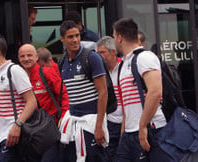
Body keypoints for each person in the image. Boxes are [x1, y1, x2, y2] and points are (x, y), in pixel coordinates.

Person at [113, 18, 167, 162]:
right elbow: (126, 105)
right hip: (129, 134)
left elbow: (155, 92)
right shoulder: (123, 64)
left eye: (113, 37)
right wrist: (123, 133)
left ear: (119, 38)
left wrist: (142, 126)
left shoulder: (145, 57)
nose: (114, 41)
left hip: (149, 130)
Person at [58, 20, 109, 162]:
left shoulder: (92, 58)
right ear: (62, 39)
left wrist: (99, 126)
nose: (75, 40)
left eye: (77, 35)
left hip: (91, 124)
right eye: (70, 37)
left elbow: (103, 93)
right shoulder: (61, 62)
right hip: (74, 125)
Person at [0, 34, 37, 162]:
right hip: (1, 139)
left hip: (15, 137)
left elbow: (32, 101)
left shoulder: (14, 70)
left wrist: (17, 125)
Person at [18, 44, 69, 162]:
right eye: (22, 56)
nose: (26, 59)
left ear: (36, 57)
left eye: (29, 55)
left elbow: (64, 94)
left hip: (49, 131)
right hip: (30, 134)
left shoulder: (46, 72)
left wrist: (64, 115)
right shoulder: (19, 77)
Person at [96, 36, 122, 161]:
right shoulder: (98, 72)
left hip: (128, 123)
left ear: (113, 52)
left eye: (103, 52)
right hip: (109, 122)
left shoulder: (125, 67)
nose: (100, 56)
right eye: (98, 53)